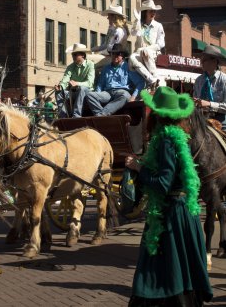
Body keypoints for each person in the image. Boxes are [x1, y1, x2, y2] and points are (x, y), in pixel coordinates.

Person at [126, 86, 213, 306]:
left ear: (156, 114)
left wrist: (138, 168)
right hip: (184, 212)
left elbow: (163, 184)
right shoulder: (179, 137)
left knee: (164, 269)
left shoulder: (165, 141)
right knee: (183, 269)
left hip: (172, 215)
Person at [86, 44, 145, 116]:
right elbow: (100, 84)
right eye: (113, 53)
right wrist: (98, 94)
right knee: (90, 95)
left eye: (118, 54)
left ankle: (101, 115)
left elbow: (141, 82)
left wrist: (133, 97)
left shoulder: (128, 67)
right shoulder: (106, 68)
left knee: (125, 96)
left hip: (121, 92)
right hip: (107, 93)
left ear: (122, 56)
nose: (115, 56)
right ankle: (102, 116)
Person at [129, 0, 165, 88]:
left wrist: (148, 49)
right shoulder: (139, 24)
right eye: (150, 11)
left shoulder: (158, 25)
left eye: (154, 11)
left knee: (145, 52)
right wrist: (137, 22)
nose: (153, 13)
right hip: (139, 53)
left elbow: (161, 44)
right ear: (145, 12)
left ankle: (156, 79)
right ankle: (152, 80)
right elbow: (133, 33)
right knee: (131, 57)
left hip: (153, 53)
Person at [55, 43, 95, 118]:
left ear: (82, 55)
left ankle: (76, 115)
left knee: (82, 88)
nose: (73, 56)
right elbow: (66, 78)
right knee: (59, 92)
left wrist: (77, 83)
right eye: (73, 54)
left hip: (87, 92)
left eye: (75, 54)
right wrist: (60, 86)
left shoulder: (90, 64)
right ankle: (63, 116)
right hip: (74, 93)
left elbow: (90, 83)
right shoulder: (70, 66)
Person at [193, 44, 226, 131]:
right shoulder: (198, 80)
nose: (201, 62)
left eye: (204, 60)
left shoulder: (224, 80)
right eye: (201, 59)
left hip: (220, 122)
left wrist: (209, 104)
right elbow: (195, 99)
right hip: (201, 119)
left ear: (214, 61)